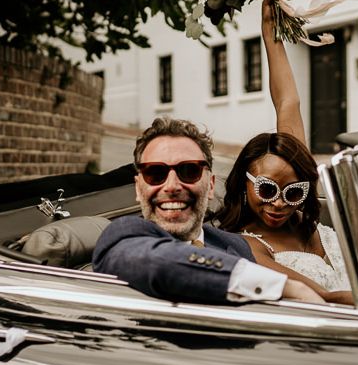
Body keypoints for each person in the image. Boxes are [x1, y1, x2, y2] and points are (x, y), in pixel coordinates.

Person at [92, 117, 324, 305]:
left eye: (189, 171)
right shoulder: (122, 236)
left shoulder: (235, 244)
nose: (172, 186)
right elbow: (157, 262)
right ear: (138, 187)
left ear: (211, 185)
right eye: (155, 173)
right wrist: (287, 286)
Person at [214, 0, 355, 305]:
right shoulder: (245, 244)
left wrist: (272, 33)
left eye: (293, 193)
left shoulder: (300, 207)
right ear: (245, 182)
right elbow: (324, 297)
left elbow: (288, 102)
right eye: (266, 189)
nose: (279, 203)